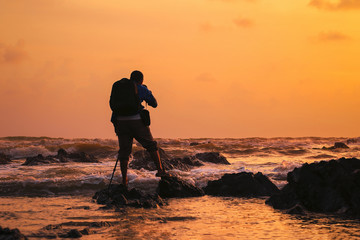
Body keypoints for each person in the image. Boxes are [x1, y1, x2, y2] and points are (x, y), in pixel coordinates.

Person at [110, 70, 167, 187]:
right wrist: (146, 90)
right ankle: (160, 171)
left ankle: (124, 180)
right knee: (151, 145)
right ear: (141, 80)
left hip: (121, 122)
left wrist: (117, 126)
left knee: (124, 152)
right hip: (136, 121)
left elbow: (114, 110)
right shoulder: (140, 88)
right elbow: (154, 103)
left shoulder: (120, 89)